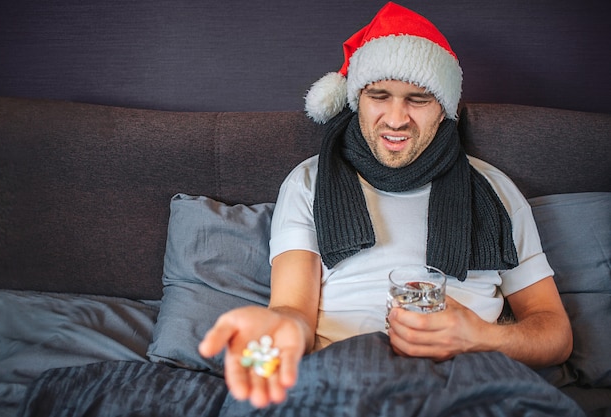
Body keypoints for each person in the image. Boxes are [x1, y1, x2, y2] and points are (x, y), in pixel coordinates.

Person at [199, 2, 572, 409]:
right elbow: (292, 310)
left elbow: (555, 334)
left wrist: (481, 337)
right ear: (356, 98)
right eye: (379, 95)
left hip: (469, 374)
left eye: (418, 99)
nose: (396, 119)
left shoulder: (494, 189)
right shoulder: (310, 181)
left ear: (445, 109)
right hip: (346, 371)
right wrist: (273, 335)